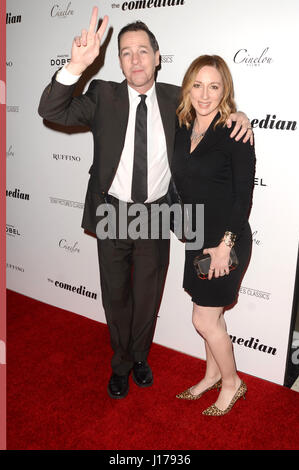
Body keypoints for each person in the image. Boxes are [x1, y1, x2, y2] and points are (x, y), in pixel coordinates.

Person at [38, 7, 253, 400]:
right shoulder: (102, 95)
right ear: (117, 60)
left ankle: (139, 357)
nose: (135, 59)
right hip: (113, 211)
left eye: (142, 51)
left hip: (157, 212)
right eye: (125, 52)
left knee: (148, 296)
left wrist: (239, 115)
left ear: (157, 56)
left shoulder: (178, 99)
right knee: (115, 293)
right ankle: (119, 363)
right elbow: (51, 110)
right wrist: (74, 66)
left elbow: (213, 113)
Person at [172, 55, 255, 415]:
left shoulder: (234, 132)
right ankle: (211, 375)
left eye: (214, 86)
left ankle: (233, 382)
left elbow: (243, 197)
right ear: (188, 87)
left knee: (203, 319)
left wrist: (224, 246)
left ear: (225, 92)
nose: (205, 94)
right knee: (213, 317)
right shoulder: (181, 127)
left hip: (226, 241)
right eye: (198, 85)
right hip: (195, 238)